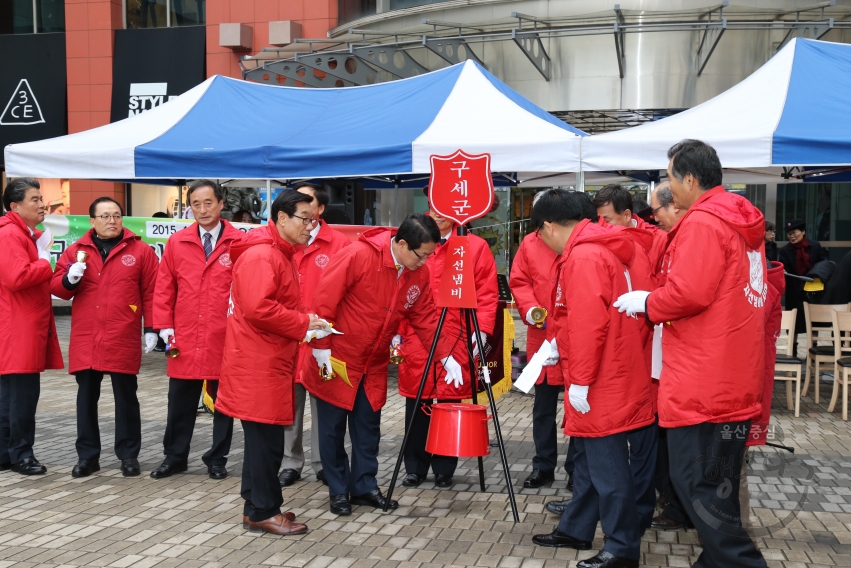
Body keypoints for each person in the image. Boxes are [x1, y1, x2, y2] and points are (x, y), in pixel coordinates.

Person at [614, 139, 768, 568]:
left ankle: (738, 562)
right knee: (716, 483)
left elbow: (690, 292)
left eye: (668, 176)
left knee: (694, 480)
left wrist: (647, 302)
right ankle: (716, 561)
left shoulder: (704, 222)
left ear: (689, 179)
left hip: (705, 377)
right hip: (733, 372)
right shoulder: (740, 220)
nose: (667, 185)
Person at [303, 214, 461, 516]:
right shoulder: (358, 255)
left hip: (372, 363)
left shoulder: (418, 273)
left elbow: (425, 317)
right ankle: (338, 490)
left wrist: (444, 354)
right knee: (332, 429)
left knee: (368, 428)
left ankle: (364, 487)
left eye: (430, 255)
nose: (425, 261)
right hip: (336, 356)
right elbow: (324, 302)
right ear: (401, 244)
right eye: (421, 254)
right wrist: (320, 347)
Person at [531, 190, 654, 568]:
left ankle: (621, 547)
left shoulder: (584, 257)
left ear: (550, 226)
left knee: (607, 466)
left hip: (601, 376)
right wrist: (556, 343)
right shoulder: (613, 245)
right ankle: (577, 528)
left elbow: (588, 324)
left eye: (539, 233)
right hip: (623, 365)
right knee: (588, 460)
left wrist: (580, 379)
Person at [217, 190, 328, 536]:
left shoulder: (276, 252)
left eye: (314, 219)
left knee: (261, 438)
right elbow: (258, 308)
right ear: (282, 218)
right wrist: (301, 323)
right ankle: (265, 510)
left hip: (264, 357)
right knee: (265, 440)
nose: (312, 226)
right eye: (305, 219)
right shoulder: (264, 255)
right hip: (258, 361)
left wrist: (301, 319)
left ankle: (256, 506)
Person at [50, 197, 159, 478]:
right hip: (87, 336)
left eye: (117, 216)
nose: (112, 221)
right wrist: (69, 279)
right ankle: (87, 456)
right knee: (86, 398)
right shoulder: (76, 251)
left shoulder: (141, 251)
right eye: (106, 216)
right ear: (92, 221)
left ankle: (128, 455)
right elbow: (58, 290)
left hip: (122, 333)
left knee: (126, 398)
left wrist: (152, 329)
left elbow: (152, 293)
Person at [396, 204, 498, 489]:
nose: (438, 214)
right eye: (433, 207)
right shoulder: (418, 242)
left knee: (449, 402)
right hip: (418, 334)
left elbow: (487, 293)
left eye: (445, 209)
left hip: (458, 333)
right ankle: (414, 466)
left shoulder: (472, 247)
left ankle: (444, 467)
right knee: (417, 403)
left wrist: (483, 330)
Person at [152, 180, 242, 480]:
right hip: (186, 335)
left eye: (208, 203)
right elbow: (164, 287)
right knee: (179, 401)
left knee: (223, 403)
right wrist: (163, 326)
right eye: (196, 204)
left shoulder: (238, 241)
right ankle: (174, 456)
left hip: (223, 334)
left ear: (220, 203)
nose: (202, 210)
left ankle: (217, 458)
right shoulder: (178, 242)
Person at [279, 183, 350, 488]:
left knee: (325, 404)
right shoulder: (284, 243)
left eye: (307, 204)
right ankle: (290, 461)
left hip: (324, 342)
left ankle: (325, 462)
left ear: (319, 210)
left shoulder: (340, 245)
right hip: (290, 338)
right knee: (289, 405)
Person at [0, 178, 63, 475]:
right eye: (35, 199)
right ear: (15, 206)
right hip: (19, 327)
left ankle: (7, 453)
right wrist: (43, 261)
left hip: (17, 325)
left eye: (41, 198)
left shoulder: (20, 233)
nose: (42, 204)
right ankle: (22, 455)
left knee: (10, 395)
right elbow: (16, 277)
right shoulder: (11, 234)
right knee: (21, 396)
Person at [645, 181, 692, 532]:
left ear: (674, 204)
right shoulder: (668, 239)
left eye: (656, 210)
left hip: (687, 360)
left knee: (683, 446)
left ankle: (680, 508)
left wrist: (649, 303)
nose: (654, 218)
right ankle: (673, 503)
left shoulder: (695, 237)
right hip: (667, 352)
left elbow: (683, 294)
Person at [509, 190, 562, 489]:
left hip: (573, 334)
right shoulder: (530, 243)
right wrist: (530, 310)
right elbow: (519, 280)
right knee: (543, 408)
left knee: (579, 404)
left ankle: (576, 467)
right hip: (542, 334)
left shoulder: (576, 240)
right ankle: (543, 465)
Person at [778, 218, 827, 356]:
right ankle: (792, 352)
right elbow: (783, 267)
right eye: (789, 234)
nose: (791, 236)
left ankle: (814, 352)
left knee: (814, 320)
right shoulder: (785, 250)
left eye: (794, 232)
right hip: (795, 290)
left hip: (814, 290)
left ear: (803, 232)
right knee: (795, 323)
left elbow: (823, 263)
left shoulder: (815, 246)